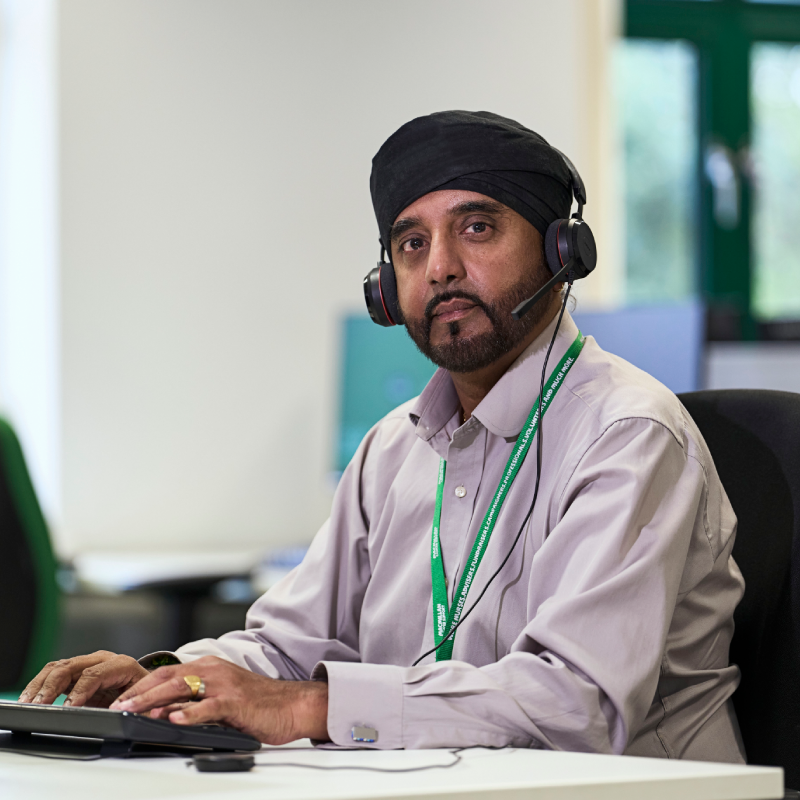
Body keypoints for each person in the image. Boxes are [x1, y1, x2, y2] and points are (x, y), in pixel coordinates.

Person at [20, 111, 745, 761]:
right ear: (384, 288)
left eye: (478, 228)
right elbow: (284, 643)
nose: (440, 269)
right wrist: (165, 681)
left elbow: (574, 702)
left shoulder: (628, 435)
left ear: (561, 253)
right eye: (410, 243)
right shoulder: (393, 450)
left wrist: (308, 706)